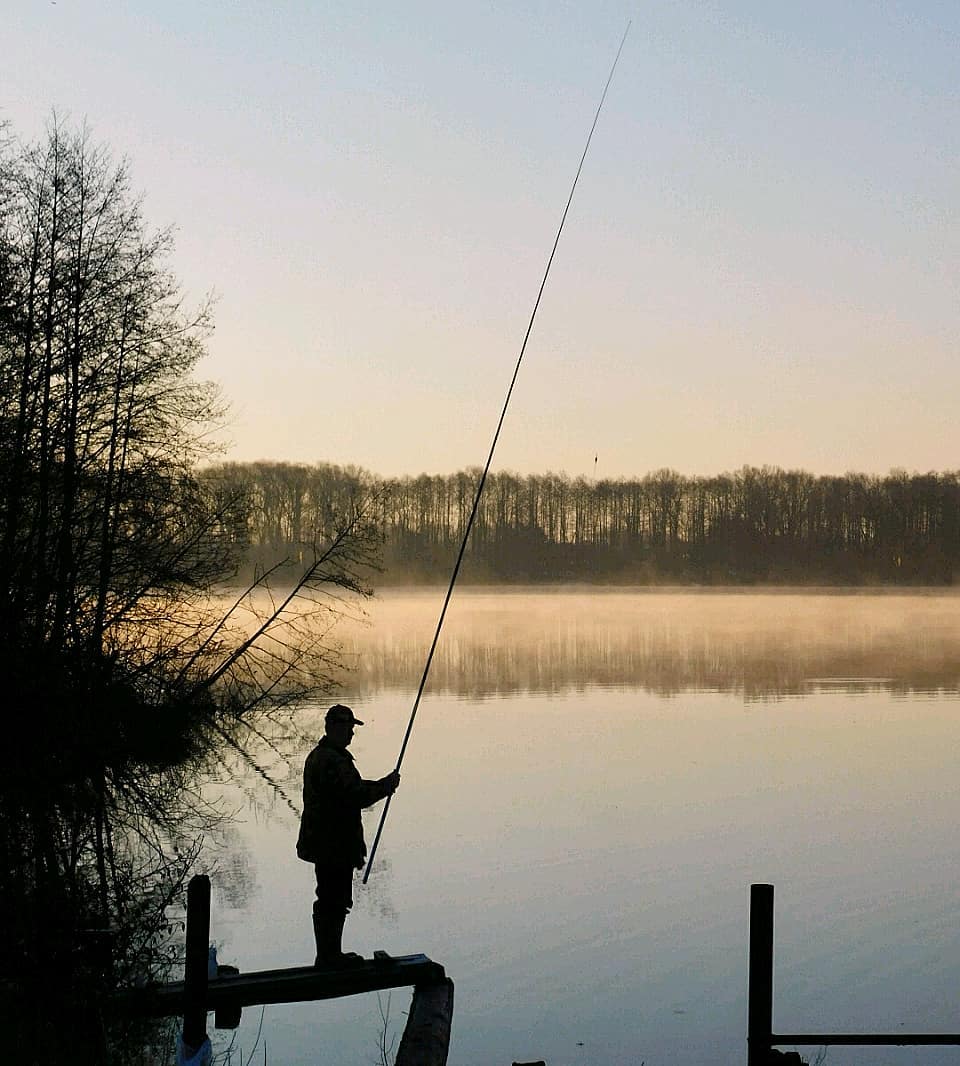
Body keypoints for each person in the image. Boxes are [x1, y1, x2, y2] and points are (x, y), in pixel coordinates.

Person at [296, 704, 400, 966]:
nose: (352, 734)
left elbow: (351, 791)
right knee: (333, 898)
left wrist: (381, 786)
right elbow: (354, 795)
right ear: (333, 728)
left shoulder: (325, 756)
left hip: (329, 842)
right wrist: (384, 787)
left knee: (333, 897)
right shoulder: (330, 760)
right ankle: (329, 957)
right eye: (348, 728)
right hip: (332, 843)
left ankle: (331, 954)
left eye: (352, 728)